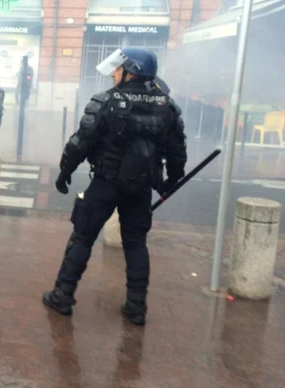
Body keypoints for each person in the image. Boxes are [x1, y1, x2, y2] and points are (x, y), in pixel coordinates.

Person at [42, 48, 188, 326]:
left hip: (105, 183)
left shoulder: (107, 101)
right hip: (141, 188)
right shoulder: (166, 106)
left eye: (117, 69)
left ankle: (62, 295)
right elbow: (178, 150)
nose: (112, 74)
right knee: (135, 245)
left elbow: (81, 141)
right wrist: (171, 181)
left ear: (131, 72)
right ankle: (136, 307)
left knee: (83, 237)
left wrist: (65, 170)